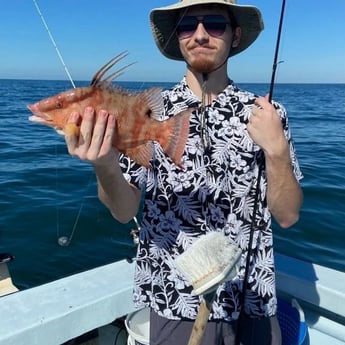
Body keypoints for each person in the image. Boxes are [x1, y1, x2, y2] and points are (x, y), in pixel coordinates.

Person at [64, 0, 303, 344]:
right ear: (178, 38)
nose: (200, 35)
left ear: (235, 36)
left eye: (215, 24)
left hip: (252, 297)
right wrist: (103, 164)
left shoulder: (267, 113)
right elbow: (123, 211)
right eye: (188, 25)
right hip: (173, 298)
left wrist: (277, 150)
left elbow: (288, 215)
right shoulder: (146, 110)